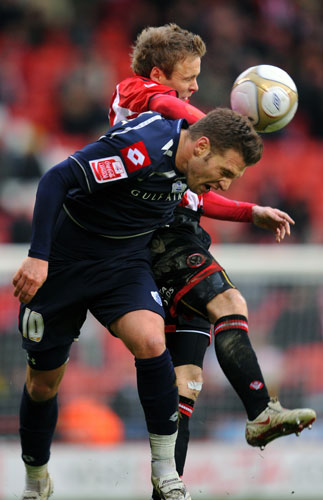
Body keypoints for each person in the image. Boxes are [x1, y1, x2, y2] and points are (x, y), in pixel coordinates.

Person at [109, 24, 316, 499]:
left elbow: (198, 201)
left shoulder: (177, 145)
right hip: (161, 237)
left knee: (188, 382)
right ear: (160, 73)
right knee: (228, 299)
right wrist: (215, 129)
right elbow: (170, 105)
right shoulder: (137, 94)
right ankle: (261, 412)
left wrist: (251, 212)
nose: (196, 85)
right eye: (191, 76)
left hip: (175, 226)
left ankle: (168, 491)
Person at [12, 107, 263, 500]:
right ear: (201, 147)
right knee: (42, 385)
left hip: (123, 266)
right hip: (65, 262)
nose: (226, 184)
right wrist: (38, 256)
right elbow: (57, 178)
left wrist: (252, 213)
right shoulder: (142, 148)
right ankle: (35, 478)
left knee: (151, 341)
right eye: (226, 172)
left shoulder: (192, 171)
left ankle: (166, 472)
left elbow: (208, 204)